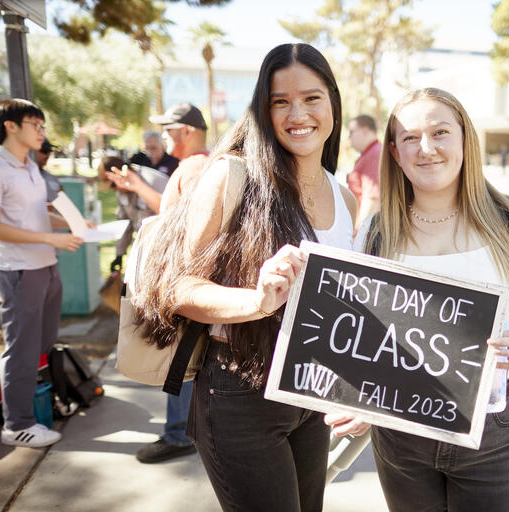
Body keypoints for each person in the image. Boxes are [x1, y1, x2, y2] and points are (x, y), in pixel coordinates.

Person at [133, 43, 356, 510]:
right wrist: (256, 300)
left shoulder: (345, 196)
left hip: (311, 391)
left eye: (312, 98)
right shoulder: (233, 177)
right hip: (240, 390)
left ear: (333, 101)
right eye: (280, 101)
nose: (298, 113)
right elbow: (177, 287)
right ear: (263, 109)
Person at [333, 88, 509, 511]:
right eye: (410, 138)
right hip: (401, 429)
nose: (426, 149)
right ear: (395, 151)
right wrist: (358, 398)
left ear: (465, 139)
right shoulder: (374, 231)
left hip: (494, 425)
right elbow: (361, 336)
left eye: (440, 132)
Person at [104, 102, 210, 464]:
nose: (164, 137)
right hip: (194, 277)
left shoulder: (195, 165)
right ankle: (185, 430)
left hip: (185, 278)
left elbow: (172, 215)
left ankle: (179, 433)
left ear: (188, 131)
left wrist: (136, 185)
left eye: (168, 130)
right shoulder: (204, 163)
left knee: (179, 359)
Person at [0, 99, 84, 448]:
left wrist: (76, 226)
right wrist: (49, 236)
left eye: (42, 125)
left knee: (42, 344)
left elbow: (37, 215)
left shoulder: (30, 167)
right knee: (22, 348)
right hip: (19, 271)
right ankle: (17, 425)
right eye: (35, 124)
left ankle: (40, 404)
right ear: (10, 126)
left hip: (46, 265)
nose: (42, 131)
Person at [347, 114, 381, 230]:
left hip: (365, 231)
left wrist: (359, 234)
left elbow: (372, 199)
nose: (349, 137)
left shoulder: (375, 154)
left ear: (365, 131)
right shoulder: (371, 153)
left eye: (351, 132)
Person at [35, 137, 63, 202]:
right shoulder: (23, 177)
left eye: (49, 151)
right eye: (44, 151)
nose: (48, 155)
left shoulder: (52, 178)